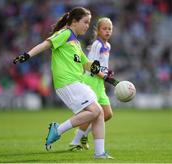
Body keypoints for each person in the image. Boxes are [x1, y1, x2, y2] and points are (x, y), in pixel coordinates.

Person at [13, 7, 114, 159]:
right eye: (85, 22)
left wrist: (106, 77)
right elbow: (46, 44)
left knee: (98, 113)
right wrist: (27, 55)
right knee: (95, 111)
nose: (87, 26)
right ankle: (58, 130)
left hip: (75, 82)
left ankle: (99, 153)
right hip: (68, 83)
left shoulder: (76, 43)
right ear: (74, 21)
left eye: (89, 23)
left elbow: (87, 64)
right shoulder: (65, 34)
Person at [69, 17, 119, 151]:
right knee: (93, 113)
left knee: (107, 114)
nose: (107, 31)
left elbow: (102, 65)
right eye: (104, 28)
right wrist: (106, 76)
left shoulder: (108, 45)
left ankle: (83, 135)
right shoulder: (97, 45)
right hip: (91, 81)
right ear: (97, 30)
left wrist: (107, 72)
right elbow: (91, 66)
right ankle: (75, 141)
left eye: (110, 29)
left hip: (99, 83)